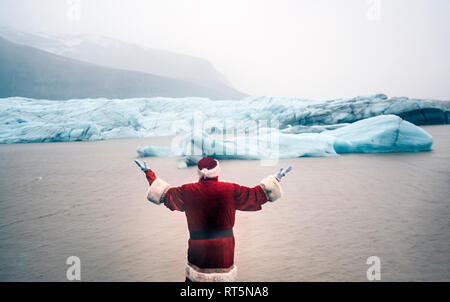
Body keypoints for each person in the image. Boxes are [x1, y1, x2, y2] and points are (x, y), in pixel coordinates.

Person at [136, 157, 290, 282]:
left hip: (198, 247)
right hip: (224, 248)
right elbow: (255, 195)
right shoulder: (230, 189)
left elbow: (165, 195)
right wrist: (276, 179)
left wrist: (149, 174)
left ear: (198, 173)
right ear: (217, 171)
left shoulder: (187, 191)